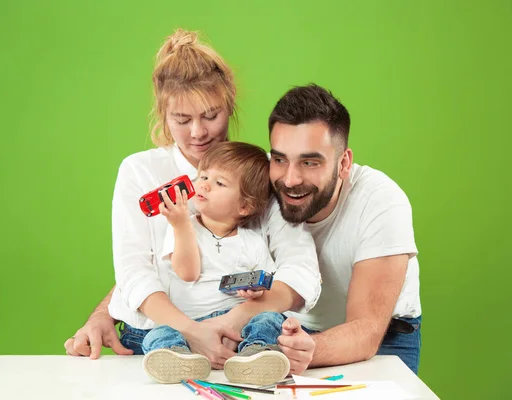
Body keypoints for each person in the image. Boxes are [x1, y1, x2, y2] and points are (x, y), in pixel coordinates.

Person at [64, 29, 321, 374]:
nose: (198, 132)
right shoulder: (140, 171)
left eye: (211, 116)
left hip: (238, 336)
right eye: (182, 120)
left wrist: (232, 320)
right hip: (163, 335)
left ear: (230, 106)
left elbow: (300, 266)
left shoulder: (255, 170)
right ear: (162, 115)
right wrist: (193, 331)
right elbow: (134, 269)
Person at [270, 84, 422, 374]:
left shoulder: (382, 201)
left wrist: (307, 350)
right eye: (279, 159)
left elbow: (366, 332)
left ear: (344, 164)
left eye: (310, 162)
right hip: (288, 330)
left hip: (382, 336)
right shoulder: (260, 187)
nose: (289, 179)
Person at [120, 141, 291, 385]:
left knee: (271, 319)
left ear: (245, 206)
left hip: (233, 325)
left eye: (219, 183)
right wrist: (180, 225)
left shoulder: (251, 241)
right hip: (188, 324)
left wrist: (256, 290)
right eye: (203, 176)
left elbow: (269, 287)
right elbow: (187, 273)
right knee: (158, 332)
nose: (204, 185)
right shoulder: (182, 227)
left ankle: (254, 354)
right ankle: (178, 357)